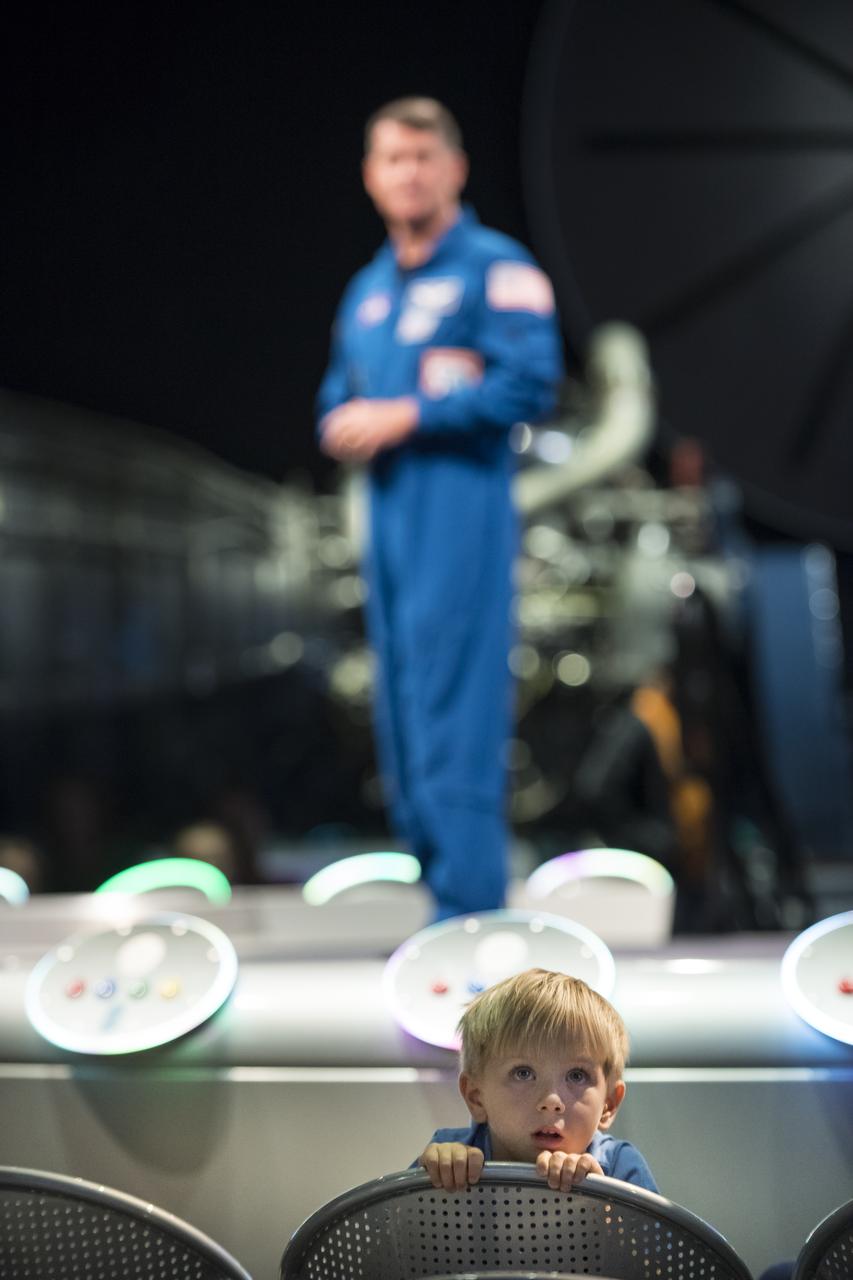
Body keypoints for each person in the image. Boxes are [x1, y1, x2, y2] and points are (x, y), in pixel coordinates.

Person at [317, 97, 564, 919]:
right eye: (393, 159)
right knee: (403, 708)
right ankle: (439, 897)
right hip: (388, 522)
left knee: (456, 703)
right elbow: (335, 395)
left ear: (455, 168)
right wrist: (341, 422)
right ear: (369, 176)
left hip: (460, 513)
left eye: (424, 157)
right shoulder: (367, 291)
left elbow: (530, 382)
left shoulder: (496, 269)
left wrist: (409, 416)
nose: (409, 174)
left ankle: (469, 914)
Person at [416, 967, 658, 1193]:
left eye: (577, 1075)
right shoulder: (449, 1159)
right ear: (476, 1097)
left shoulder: (619, 1167)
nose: (552, 1101)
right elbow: (398, 1223)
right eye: (523, 1073)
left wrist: (604, 1202)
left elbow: (656, 1228)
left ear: (609, 1104)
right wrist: (436, 1179)